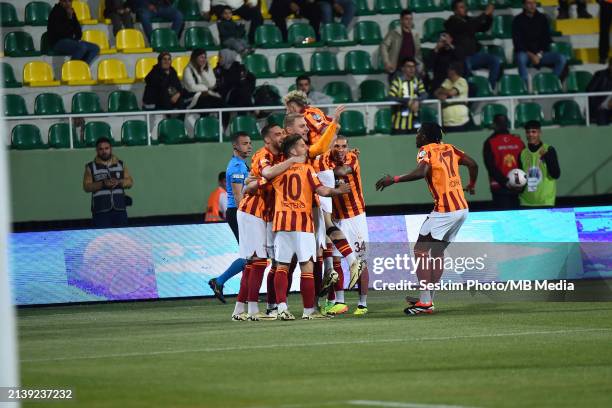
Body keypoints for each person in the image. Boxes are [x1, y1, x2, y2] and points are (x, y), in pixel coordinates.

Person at [375, 123, 478, 316]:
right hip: (462, 209)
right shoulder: (451, 148)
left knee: (420, 250)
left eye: (418, 133)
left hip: (445, 210)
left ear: (424, 136)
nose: (416, 137)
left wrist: (394, 179)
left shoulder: (426, 151)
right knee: (437, 252)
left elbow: (421, 172)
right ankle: (428, 298)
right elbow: (473, 164)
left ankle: (425, 302)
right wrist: (471, 184)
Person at [271, 134, 351, 320]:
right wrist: (338, 191)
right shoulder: (307, 169)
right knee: (306, 266)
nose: (305, 147)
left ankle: (282, 307)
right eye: (301, 145)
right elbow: (322, 190)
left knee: (282, 266)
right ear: (292, 151)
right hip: (302, 224)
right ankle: (309, 310)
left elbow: (264, 178)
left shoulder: (278, 170)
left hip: (282, 223)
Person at [318, 135, 370, 316]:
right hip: (335, 219)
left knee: (360, 261)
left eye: (344, 146)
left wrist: (319, 172)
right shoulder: (325, 159)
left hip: (355, 217)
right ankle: (340, 301)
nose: (341, 149)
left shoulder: (352, 158)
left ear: (348, 147)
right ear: (330, 147)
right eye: (337, 146)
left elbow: (342, 172)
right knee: (336, 260)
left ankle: (362, 304)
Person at [208, 132, 252, 303]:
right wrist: (248, 217)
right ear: (235, 146)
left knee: (251, 255)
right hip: (238, 212)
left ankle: (246, 292)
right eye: (244, 143)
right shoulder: (236, 167)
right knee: (250, 255)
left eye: (249, 143)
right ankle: (220, 281)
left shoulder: (240, 164)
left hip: (238, 212)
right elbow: (238, 196)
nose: (249, 146)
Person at [445, 0, 501, 88]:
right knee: (465, 66)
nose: (465, 9)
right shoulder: (451, 22)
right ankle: (465, 92)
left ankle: (490, 87)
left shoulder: (468, 19)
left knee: (495, 60)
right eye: (462, 7)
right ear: (455, 10)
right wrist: (485, 13)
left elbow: (484, 28)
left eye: (465, 6)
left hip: (474, 56)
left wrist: (489, 16)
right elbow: (468, 26)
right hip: (461, 58)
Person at [512, 0, 568, 85]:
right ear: (524, 5)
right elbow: (518, 43)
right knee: (521, 58)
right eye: (529, 3)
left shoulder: (542, 18)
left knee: (561, 58)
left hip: (541, 54)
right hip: (525, 54)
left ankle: (552, 83)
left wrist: (538, 55)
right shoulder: (517, 20)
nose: (532, 5)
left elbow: (546, 40)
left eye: (534, 3)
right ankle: (524, 86)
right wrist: (531, 55)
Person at [83, 137, 134, 228]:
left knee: (122, 238)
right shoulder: (90, 167)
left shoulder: (121, 164)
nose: (104, 151)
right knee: (102, 240)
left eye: (106, 148)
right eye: (101, 149)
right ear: (97, 150)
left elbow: (130, 182)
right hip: (100, 211)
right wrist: (102, 184)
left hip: (120, 209)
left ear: (111, 149)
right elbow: (87, 187)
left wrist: (119, 182)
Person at [482, 115, 525, 209]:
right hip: (517, 186)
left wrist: (505, 182)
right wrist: (521, 183)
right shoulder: (518, 141)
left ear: (494, 125)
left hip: (499, 187)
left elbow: (490, 166)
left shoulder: (489, 142)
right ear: (507, 124)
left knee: (502, 219)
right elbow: (524, 164)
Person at [518, 121, 560, 208]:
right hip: (526, 202)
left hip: (545, 202)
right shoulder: (522, 153)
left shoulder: (548, 149)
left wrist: (548, 158)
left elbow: (556, 174)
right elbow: (521, 178)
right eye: (528, 132)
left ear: (540, 132)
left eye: (534, 132)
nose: (530, 135)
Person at [47, 0, 100, 65]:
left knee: (95, 48)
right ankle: (71, 70)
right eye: (65, 1)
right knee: (82, 47)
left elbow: (78, 30)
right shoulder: (55, 12)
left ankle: (81, 68)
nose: (68, 3)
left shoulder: (71, 11)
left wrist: (77, 38)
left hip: (70, 40)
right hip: (58, 42)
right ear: (60, 1)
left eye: (70, 1)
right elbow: (61, 32)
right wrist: (69, 18)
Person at [380, 9, 422, 81]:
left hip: (412, 70)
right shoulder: (394, 33)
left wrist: (420, 66)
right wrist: (387, 62)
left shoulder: (415, 34)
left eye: (411, 19)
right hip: (397, 69)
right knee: (397, 91)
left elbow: (418, 52)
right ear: (401, 20)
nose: (409, 21)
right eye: (406, 19)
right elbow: (383, 46)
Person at [388, 58, 427, 135]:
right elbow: (390, 97)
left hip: (415, 123)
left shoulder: (417, 81)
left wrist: (417, 101)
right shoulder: (397, 82)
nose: (412, 69)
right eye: (409, 66)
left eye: (413, 66)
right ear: (403, 68)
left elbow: (424, 94)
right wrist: (407, 101)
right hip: (399, 125)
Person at [434, 62, 470, 133]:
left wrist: (441, 91)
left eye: (449, 69)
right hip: (446, 122)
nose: (447, 71)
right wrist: (440, 96)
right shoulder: (447, 81)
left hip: (460, 122)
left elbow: (451, 92)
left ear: (453, 71)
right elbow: (435, 92)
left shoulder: (462, 81)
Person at [586, 57, 612, 125]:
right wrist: (600, 106)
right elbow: (589, 91)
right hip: (600, 108)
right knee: (601, 115)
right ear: (610, 66)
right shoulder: (600, 75)